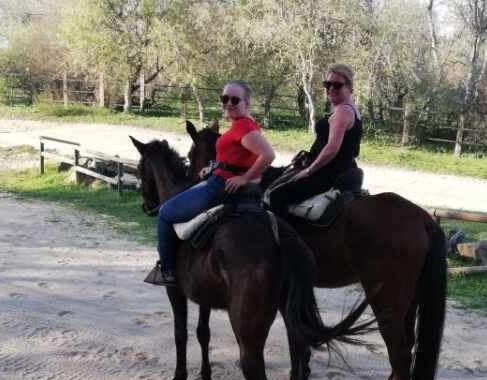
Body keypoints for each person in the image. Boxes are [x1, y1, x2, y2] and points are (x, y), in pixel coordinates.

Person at [151, 80, 275, 286]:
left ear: (247, 103)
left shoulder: (244, 128)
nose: (228, 103)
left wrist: (243, 178)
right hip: (219, 178)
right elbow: (238, 158)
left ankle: (168, 271)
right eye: (224, 98)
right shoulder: (243, 125)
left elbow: (268, 155)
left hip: (218, 188)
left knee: (164, 214)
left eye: (235, 99)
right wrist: (212, 168)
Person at [267, 63, 362, 216]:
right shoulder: (346, 107)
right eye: (327, 84)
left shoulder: (343, 111)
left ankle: (287, 239)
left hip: (330, 173)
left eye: (337, 85)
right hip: (338, 168)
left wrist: (309, 170)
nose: (331, 88)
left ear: (349, 88)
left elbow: (332, 149)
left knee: (276, 196)